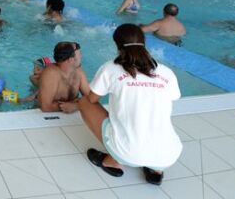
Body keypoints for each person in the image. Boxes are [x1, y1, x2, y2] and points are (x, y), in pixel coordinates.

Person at [78, 24, 182, 185]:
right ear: (144, 42)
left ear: (117, 45)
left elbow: (92, 99)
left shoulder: (110, 68)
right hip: (168, 155)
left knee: (84, 102)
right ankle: (156, 171)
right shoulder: (166, 72)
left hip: (127, 152)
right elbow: (174, 98)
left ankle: (112, 161)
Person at [37, 42, 90, 113]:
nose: (81, 56)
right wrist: (70, 105)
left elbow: (91, 99)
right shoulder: (51, 73)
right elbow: (45, 107)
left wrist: (76, 106)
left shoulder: (79, 72)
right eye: (79, 54)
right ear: (70, 60)